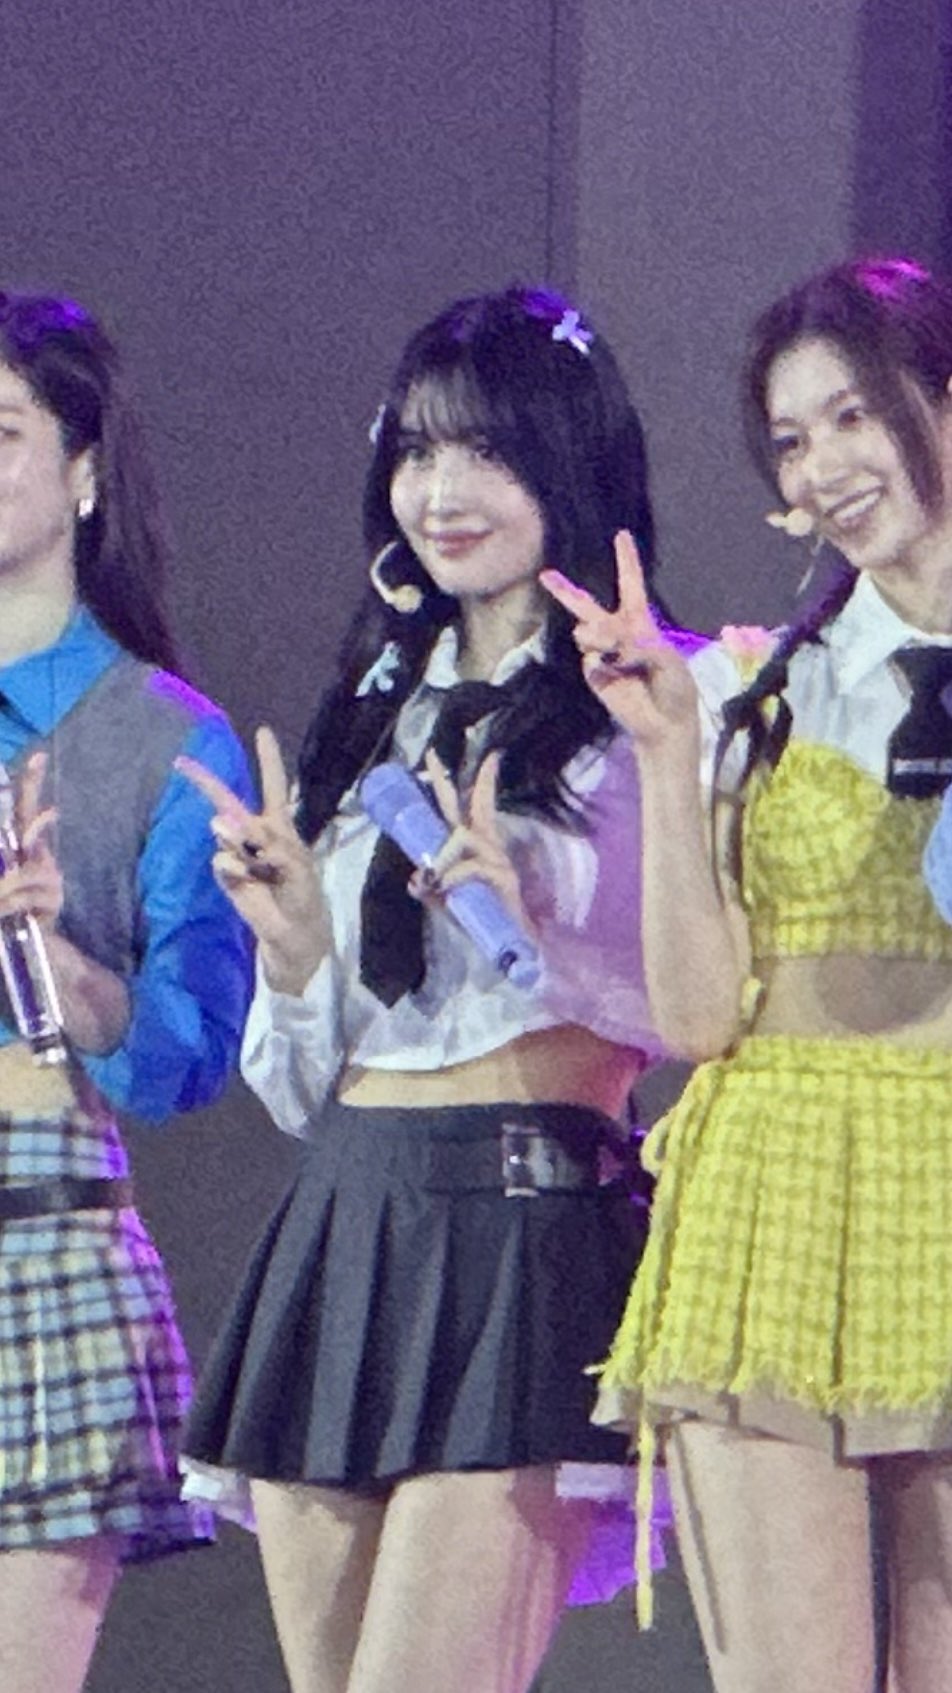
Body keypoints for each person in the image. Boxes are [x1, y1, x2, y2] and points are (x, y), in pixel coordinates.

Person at [178, 285, 686, 1693]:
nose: (441, 493)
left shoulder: (653, 697)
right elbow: (308, 1080)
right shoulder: (375, 708)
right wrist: (295, 950)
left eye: (485, 451)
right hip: (350, 1216)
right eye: (415, 451)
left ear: (566, 460)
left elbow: (699, 999)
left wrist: (538, 930)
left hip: (527, 1221)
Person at [544, 254, 952, 1693]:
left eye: (855, 415)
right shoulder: (757, 687)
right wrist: (667, 754)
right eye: (791, 439)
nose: (825, 466)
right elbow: (699, 1015)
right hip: (775, 1197)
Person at [0, 291, 252, 1693]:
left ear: (84, 469)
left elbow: (183, 1056)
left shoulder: (168, 740)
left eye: (2, 432)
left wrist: (61, 953)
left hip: (38, 1236)